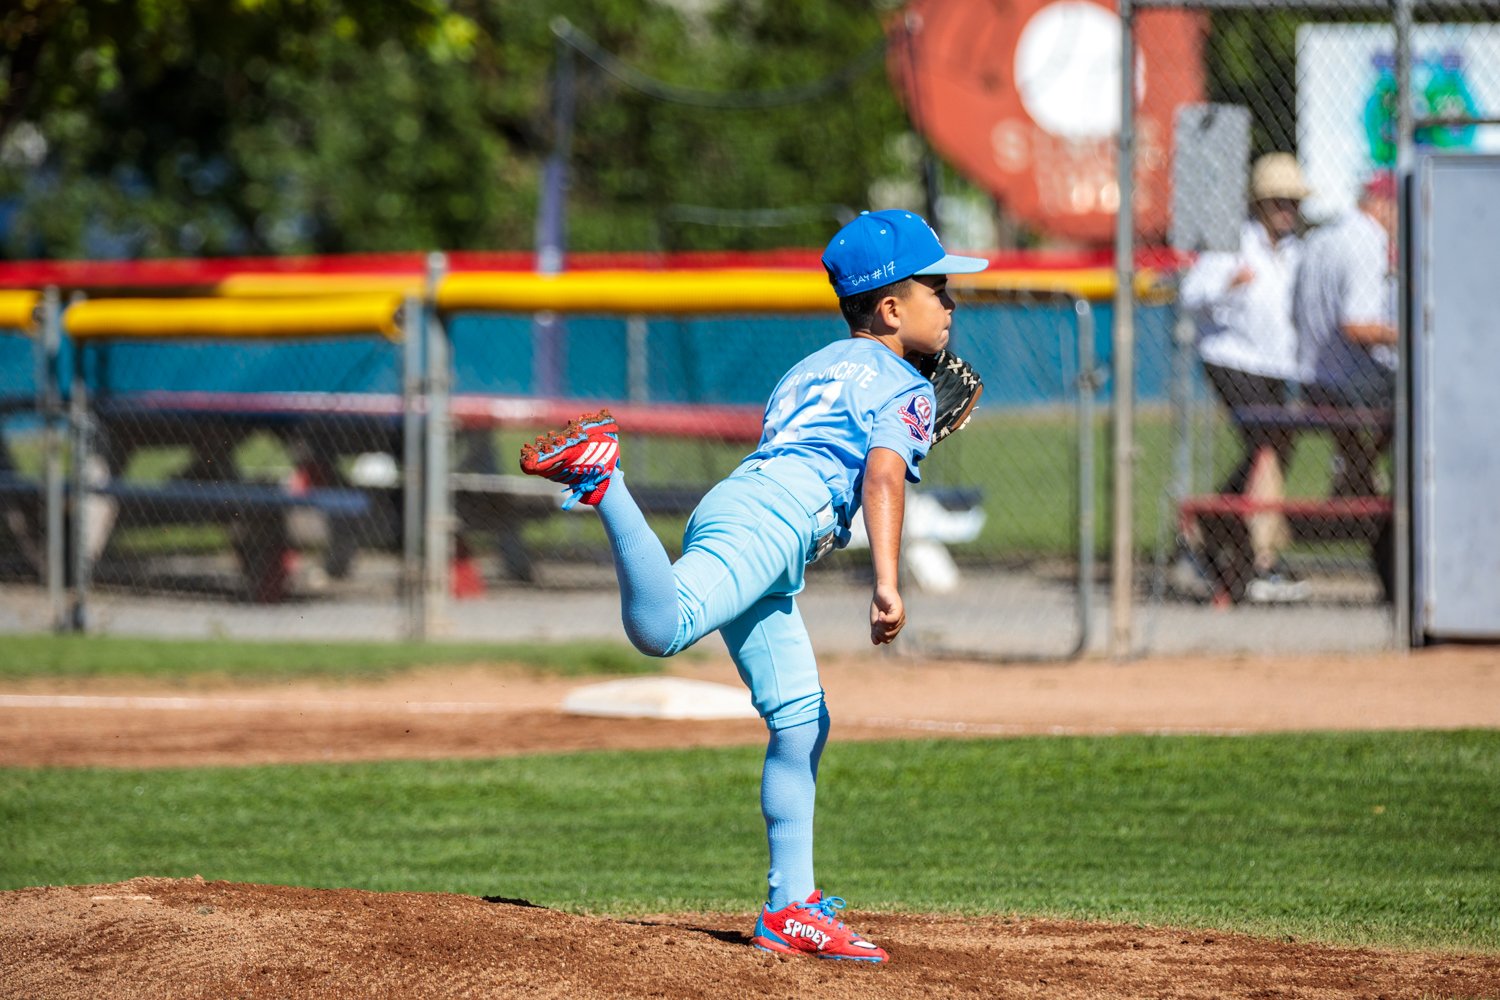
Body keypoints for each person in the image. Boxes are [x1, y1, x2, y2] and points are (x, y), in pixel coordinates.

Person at [518, 209, 988, 964]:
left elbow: (823, 442)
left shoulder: (811, 367)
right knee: (663, 628)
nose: (952, 302)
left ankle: (789, 909)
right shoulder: (907, 384)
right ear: (892, 308)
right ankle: (605, 479)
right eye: (939, 287)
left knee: (801, 719)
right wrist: (889, 583)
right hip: (771, 522)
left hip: (748, 509)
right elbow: (881, 472)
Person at [1178, 152, 1311, 602]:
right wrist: (1227, 284)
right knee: (1268, 448)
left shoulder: (1296, 252)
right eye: (1278, 202)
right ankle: (1264, 560)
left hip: (1276, 364)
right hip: (1231, 359)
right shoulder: (1233, 243)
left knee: (1276, 449)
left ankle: (1209, 528)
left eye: (1292, 202)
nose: (1287, 211)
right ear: (1259, 203)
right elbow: (1192, 293)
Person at [1294, 170, 1399, 500]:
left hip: (1310, 376)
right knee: (1426, 391)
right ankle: (1362, 474)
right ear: (1384, 206)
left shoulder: (1322, 236)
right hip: (1344, 381)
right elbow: (1356, 326)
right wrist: (1413, 335)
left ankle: (1356, 472)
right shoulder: (1368, 240)